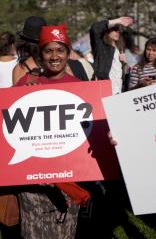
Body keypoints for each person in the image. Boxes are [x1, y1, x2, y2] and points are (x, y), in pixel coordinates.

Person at [15, 25, 90, 239]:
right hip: (33, 183)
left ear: (68, 53)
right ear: (41, 54)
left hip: (68, 181)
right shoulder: (27, 82)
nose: (54, 56)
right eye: (49, 50)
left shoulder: (80, 87)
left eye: (60, 50)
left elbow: (89, 134)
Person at [90, 16, 134, 94]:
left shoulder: (120, 49)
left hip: (118, 92)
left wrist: (125, 64)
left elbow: (123, 75)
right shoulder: (101, 47)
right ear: (106, 31)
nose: (118, 32)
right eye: (114, 29)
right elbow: (95, 28)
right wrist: (119, 20)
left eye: (119, 30)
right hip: (104, 91)